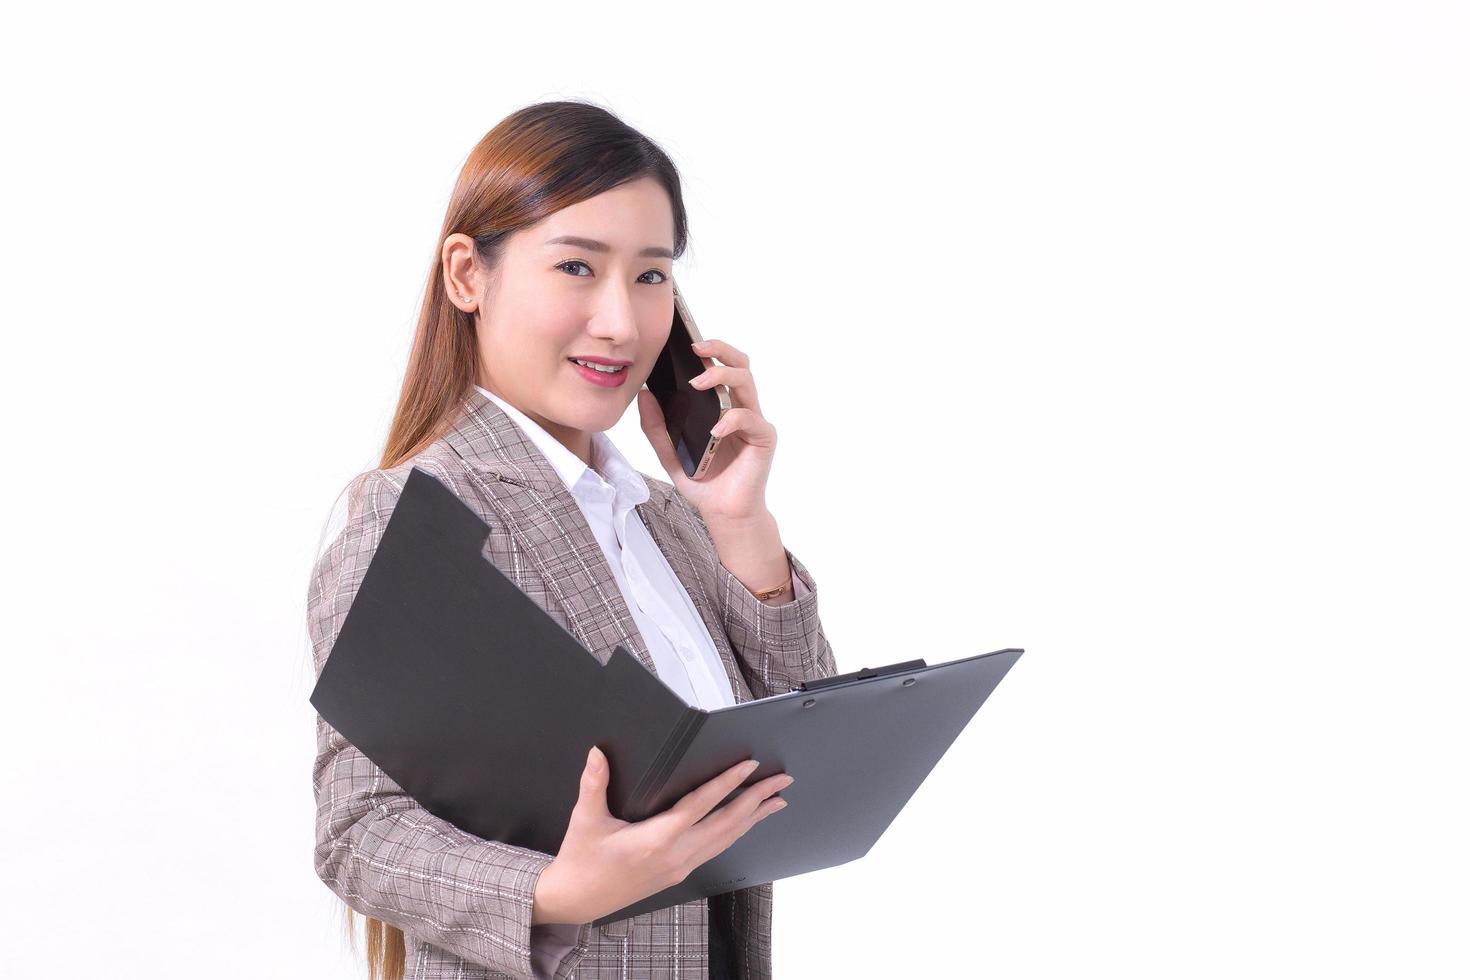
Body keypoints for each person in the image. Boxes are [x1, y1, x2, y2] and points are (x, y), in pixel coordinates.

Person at [305, 100, 839, 980]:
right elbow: (358, 832)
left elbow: (811, 763)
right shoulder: (422, 518)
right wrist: (554, 891)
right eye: (577, 267)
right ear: (468, 275)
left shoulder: (670, 522)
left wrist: (741, 523)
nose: (622, 325)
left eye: (651, 276)